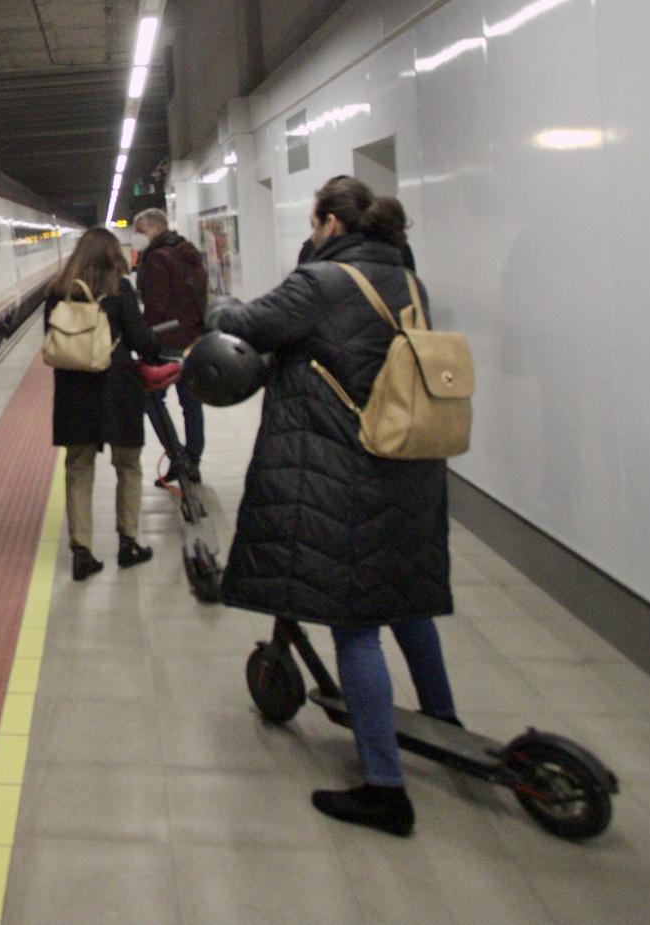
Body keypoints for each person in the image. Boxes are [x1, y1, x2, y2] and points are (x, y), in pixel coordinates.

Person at [208, 176, 456, 837]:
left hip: (346, 472)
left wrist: (220, 302)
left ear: (326, 224)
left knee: (355, 624)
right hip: (409, 465)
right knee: (409, 601)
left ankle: (385, 786)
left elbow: (244, 324)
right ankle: (444, 723)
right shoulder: (409, 282)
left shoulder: (321, 284)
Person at [44, 228, 165, 581]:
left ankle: (82, 551)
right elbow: (142, 339)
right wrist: (156, 347)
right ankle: (128, 544)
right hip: (118, 387)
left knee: (78, 468)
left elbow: (49, 340)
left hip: (73, 390)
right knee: (128, 466)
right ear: (113, 255)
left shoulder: (57, 292)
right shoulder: (119, 289)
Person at [131, 207, 208, 466]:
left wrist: (143, 337)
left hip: (166, 343)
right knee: (192, 404)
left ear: (155, 228)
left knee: (151, 400)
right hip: (194, 340)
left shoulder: (156, 259)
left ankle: (178, 457)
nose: (136, 236)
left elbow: (156, 307)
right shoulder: (189, 252)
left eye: (140, 231)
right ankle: (193, 459)